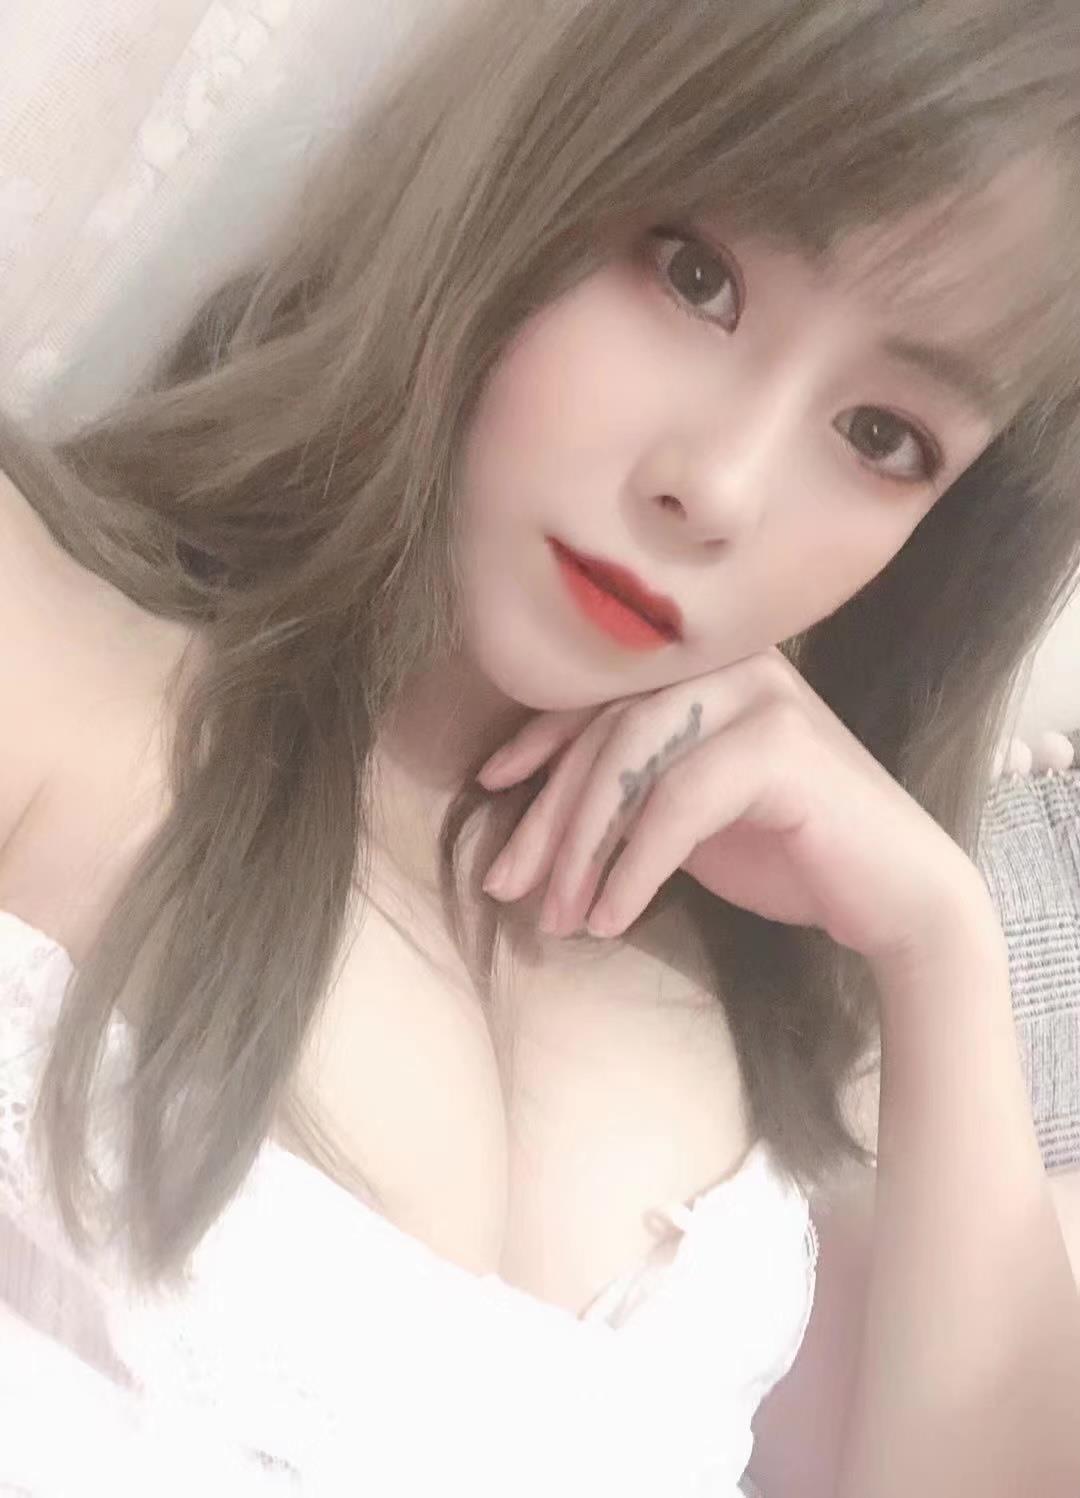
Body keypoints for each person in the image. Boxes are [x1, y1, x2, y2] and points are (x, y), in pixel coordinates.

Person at [1, 0, 1079, 1492]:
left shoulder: (791, 1034)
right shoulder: (54, 653)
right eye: (695, 276)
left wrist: (942, 942)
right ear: (533, 169)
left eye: (882, 435)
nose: (720, 485)